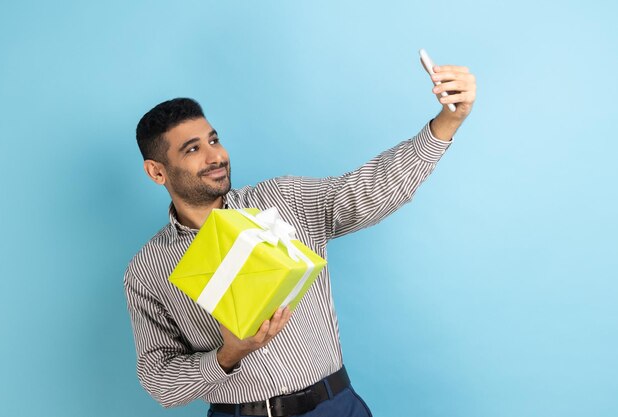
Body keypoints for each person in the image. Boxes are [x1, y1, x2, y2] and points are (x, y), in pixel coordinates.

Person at [124, 64, 476, 417]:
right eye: (192, 149)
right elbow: (160, 381)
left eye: (214, 140)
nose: (216, 155)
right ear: (157, 171)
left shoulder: (283, 200)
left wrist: (446, 123)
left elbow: (367, 191)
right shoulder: (147, 269)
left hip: (333, 406)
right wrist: (227, 355)